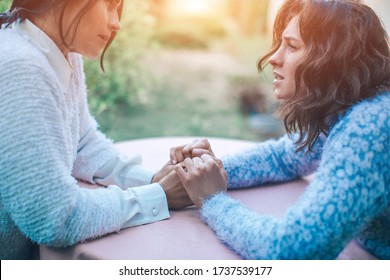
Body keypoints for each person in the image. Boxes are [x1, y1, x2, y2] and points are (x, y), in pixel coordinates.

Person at [170, 0, 390, 259]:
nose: (273, 58)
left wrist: (211, 199)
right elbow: (283, 157)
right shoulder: (349, 105)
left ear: (332, 58)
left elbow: (292, 250)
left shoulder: (370, 126)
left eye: (292, 46)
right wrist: (209, 170)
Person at [0, 0, 191, 259]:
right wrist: (158, 197)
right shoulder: (20, 66)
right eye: (110, 5)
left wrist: (153, 180)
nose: (116, 23)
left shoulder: (61, 53)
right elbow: (54, 218)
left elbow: (83, 143)